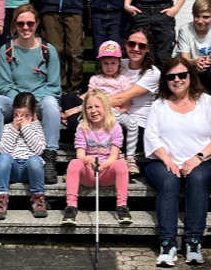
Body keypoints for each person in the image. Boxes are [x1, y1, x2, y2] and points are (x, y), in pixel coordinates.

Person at [144, 59, 211, 267]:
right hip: (162, 161)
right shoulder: (159, 104)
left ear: (190, 76)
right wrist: (168, 160)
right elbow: (151, 137)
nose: (176, 80)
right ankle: (167, 243)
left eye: (181, 75)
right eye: (171, 77)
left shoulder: (206, 101)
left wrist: (198, 158)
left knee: (197, 178)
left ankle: (193, 242)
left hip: (203, 160)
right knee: (170, 181)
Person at [0, 4, 62, 183]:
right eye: (21, 24)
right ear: (15, 25)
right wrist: (23, 105)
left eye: (30, 23)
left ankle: (49, 156)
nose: (26, 27)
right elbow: (4, 85)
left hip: (39, 103)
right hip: (15, 102)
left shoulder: (48, 50)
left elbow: (54, 86)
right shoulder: (7, 50)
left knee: (51, 103)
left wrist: (32, 105)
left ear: (37, 24)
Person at [63, 90, 131, 227]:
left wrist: (104, 166)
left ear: (105, 107)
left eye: (97, 106)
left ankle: (122, 206)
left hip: (107, 173)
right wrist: (88, 160)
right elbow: (80, 155)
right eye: (89, 107)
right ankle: (71, 206)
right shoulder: (82, 128)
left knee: (121, 164)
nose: (93, 111)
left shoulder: (115, 128)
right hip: (89, 172)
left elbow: (114, 156)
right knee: (74, 163)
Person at [66, 41, 138, 152]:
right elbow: (88, 97)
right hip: (96, 111)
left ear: (119, 62)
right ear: (101, 63)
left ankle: (128, 154)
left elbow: (128, 102)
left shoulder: (123, 80)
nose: (109, 67)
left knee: (132, 124)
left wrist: (121, 111)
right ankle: (87, 142)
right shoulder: (96, 79)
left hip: (115, 112)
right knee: (68, 98)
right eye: (106, 63)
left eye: (113, 63)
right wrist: (74, 106)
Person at [108, 28, 162, 172]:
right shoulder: (119, 64)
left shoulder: (153, 73)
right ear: (125, 44)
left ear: (148, 49)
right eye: (132, 44)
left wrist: (85, 106)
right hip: (113, 117)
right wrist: (79, 102)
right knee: (70, 100)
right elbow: (98, 86)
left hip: (136, 127)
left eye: (142, 46)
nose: (136, 49)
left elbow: (120, 99)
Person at [0, 92, 48, 219]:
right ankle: (0, 198)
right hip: (13, 168)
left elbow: (38, 150)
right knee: (3, 158)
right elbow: (4, 150)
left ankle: (38, 198)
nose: (20, 119)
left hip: (30, 170)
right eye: (17, 115)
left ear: (33, 115)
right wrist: (15, 129)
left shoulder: (37, 127)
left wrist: (26, 128)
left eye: (26, 115)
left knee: (35, 160)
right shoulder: (8, 128)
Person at [178, 0, 211, 95]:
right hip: (191, 67)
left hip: (209, 67)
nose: (200, 21)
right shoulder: (185, 30)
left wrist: (205, 61)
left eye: (205, 17)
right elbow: (184, 59)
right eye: (197, 16)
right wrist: (196, 62)